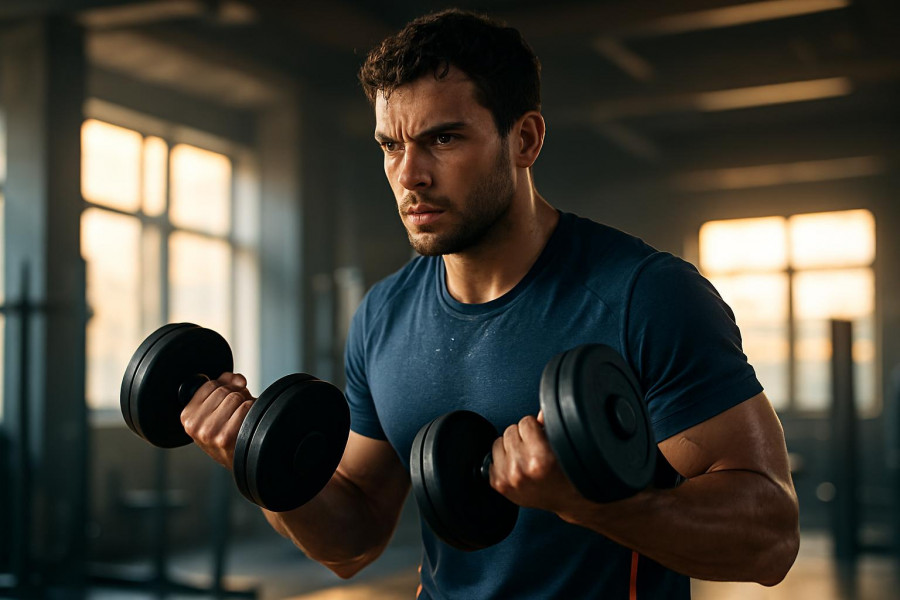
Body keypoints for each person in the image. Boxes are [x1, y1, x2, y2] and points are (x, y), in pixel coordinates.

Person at [181, 9, 800, 598]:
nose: (409, 174)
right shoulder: (383, 315)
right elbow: (354, 539)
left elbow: (770, 538)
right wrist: (258, 463)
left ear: (524, 139)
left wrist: (592, 502)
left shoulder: (644, 295)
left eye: (443, 138)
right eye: (390, 146)